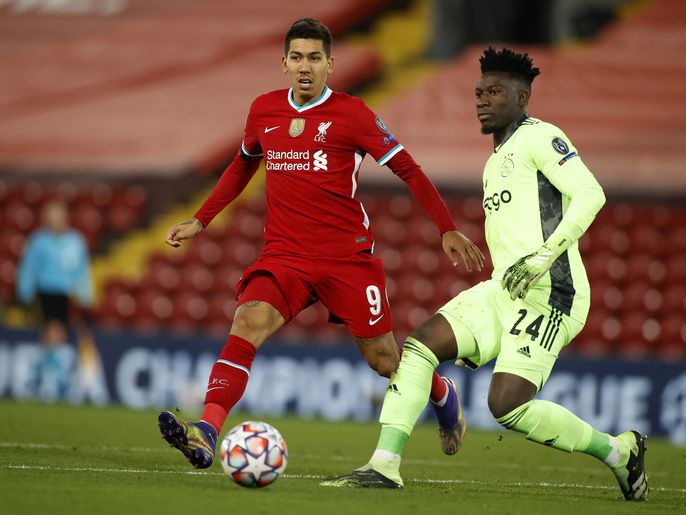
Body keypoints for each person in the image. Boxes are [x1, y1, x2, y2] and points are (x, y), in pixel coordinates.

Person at [321, 47, 648, 502]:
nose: (482, 100)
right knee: (420, 345)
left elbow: (591, 193)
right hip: (506, 287)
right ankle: (384, 465)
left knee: (505, 405)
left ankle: (618, 452)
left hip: (552, 291)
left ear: (522, 97)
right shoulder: (495, 161)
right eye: (479, 92)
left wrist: (543, 257)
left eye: (494, 92)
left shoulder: (540, 137)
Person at [157, 18, 485, 469]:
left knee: (384, 360)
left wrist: (446, 227)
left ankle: (442, 392)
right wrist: (201, 219)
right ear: (284, 63)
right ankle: (207, 431)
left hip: (346, 258)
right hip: (285, 255)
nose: (305, 66)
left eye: (314, 58)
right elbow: (242, 164)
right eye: (296, 57)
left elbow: (407, 168)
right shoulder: (264, 110)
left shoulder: (352, 114)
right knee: (247, 321)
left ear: (331, 64)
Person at [16, 199, 95, 400]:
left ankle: (47, 375)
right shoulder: (40, 240)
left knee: (59, 334)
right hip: (46, 291)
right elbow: (29, 267)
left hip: (66, 293)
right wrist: (25, 291)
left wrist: (86, 294)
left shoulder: (75, 240)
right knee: (53, 330)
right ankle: (51, 378)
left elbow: (81, 269)